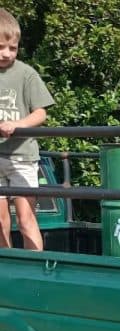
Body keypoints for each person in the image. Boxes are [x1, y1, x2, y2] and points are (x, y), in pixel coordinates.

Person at [0, 8, 54, 251]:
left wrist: (16, 125)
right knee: (0, 221)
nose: (6, 53)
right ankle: (7, 269)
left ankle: (35, 270)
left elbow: (41, 112)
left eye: (12, 48)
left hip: (22, 156)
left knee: (26, 218)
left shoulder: (26, 74)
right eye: (1, 47)